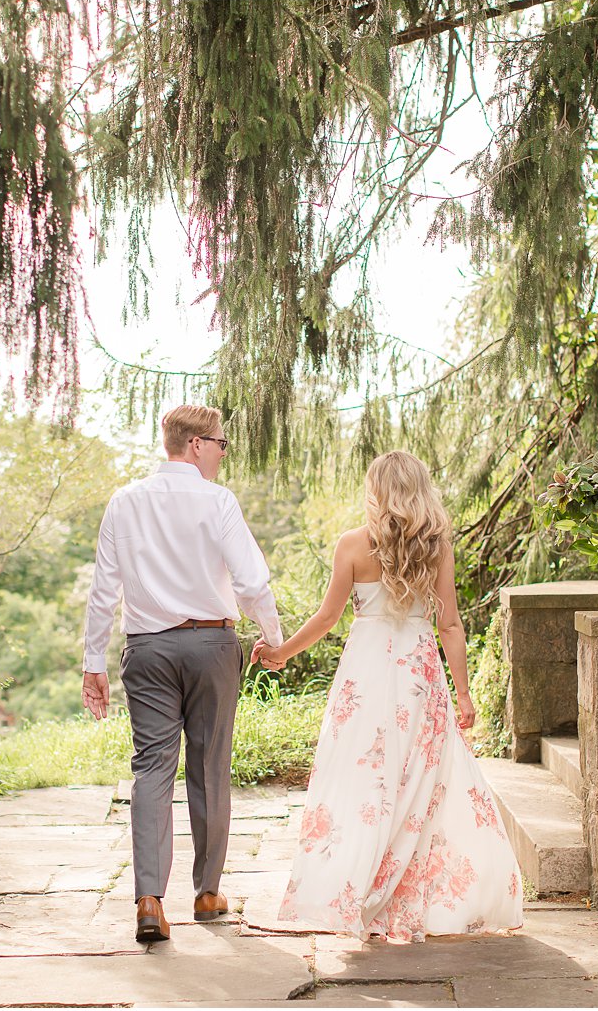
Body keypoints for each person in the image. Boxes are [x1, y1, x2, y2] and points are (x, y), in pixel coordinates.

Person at [252, 450, 523, 943]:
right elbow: (450, 624)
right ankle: (408, 894)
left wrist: (282, 652)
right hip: (419, 675)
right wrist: (463, 695)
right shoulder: (436, 547)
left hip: (368, 674)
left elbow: (328, 617)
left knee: (366, 782)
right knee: (421, 783)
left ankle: (361, 888)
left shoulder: (354, 545)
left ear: (377, 490)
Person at [82, 404, 285, 944]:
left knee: (151, 769)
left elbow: (104, 589)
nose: (222, 453)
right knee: (210, 766)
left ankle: (150, 900)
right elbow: (251, 582)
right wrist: (276, 639)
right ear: (195, 445)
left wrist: (92, 661)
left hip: (147, 650)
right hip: (212, 645)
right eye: (220, 443)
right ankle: (206, 893)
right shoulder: (216, 500)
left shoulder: (124, 502)